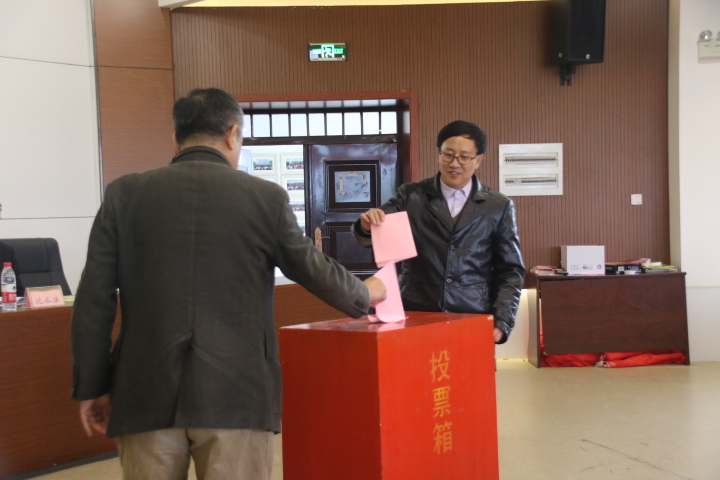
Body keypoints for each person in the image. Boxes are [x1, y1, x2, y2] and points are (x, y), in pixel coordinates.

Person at [71, 88, 386, 480]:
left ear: (176, 137)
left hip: (144, 392)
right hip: (237, 392)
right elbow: (312, 268)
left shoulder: (124, 195)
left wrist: (92, 385)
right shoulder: (264, 197)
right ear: (233, 134)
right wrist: (365, 292)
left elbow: (93, 299)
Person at [353, 120, 524, 344]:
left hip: (472, 313)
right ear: (439, 154)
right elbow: (374, 231)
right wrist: (367, 225)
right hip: (416, 312)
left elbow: (510, 269)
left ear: (478, 160)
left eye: (464, 157)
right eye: (448, 155)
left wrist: (502, 320)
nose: (454, 163)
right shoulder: (410, 196)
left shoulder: (498, 206)